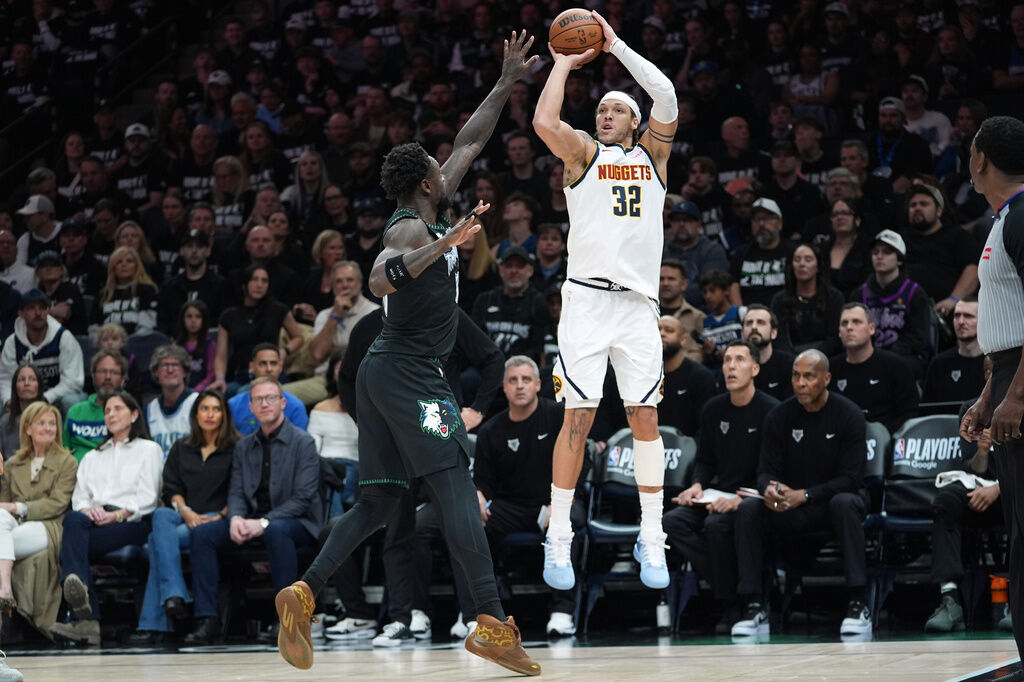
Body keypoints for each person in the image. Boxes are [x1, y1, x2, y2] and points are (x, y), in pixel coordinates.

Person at [274, 31, 540, 676]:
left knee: (380, 501)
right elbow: (378, 277)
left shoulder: (428, 202)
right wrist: (443, 244)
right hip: (409, 376)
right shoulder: (410, 225)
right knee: (453, 478)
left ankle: (303, 593)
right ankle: (489, 621)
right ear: (425, 182)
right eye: (438, 168)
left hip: (382, 376)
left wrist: (505, 83)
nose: (449, 168)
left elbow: (470, 140)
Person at [532, 10, 679, 593]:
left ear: (637, 121)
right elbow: (545, 118)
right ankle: (560, 536)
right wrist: (565, 63)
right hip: (587, 302)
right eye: (601, 110)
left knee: (646, 418)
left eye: (616, 108)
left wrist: (614, 46)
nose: (606, 114)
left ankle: (652, 534)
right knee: (579, 416)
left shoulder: (654, 160)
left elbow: (665, 91)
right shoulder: (583, 156)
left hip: (639, 305)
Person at [732, 350, 870, 638]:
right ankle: (754, 605)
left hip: (828, 506)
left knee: (845, 503)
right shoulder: (778, 416)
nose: (801, 383)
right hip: (789, 507)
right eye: (796, 375)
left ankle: (859, 603)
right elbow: (765, 471)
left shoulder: (850, 415)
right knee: (749, 509)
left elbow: (851, 478)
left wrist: (806, 495)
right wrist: (770, 489)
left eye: (809, 376)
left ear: (827, 378)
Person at [186, 377, 321, 646]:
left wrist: (264, 522)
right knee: (202, 535)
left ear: (283, 403)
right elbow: (236, 491)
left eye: (270, 398)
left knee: (277, 531)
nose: (264, 404)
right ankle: (208, 619)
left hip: (296, 522)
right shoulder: (243, 446)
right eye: (258, 399)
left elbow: (304, 498)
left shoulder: (303, 442)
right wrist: (236, 517)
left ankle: (289, 621)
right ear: (250, 407)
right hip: (252, 521)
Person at [960, 115, 1024, 664]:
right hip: (1006, 371)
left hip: (1022, 378)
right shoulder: (1005, 219)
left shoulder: (1022, 216)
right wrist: (988, 394)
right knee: (1019, 528)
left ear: (981, 160)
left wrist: (1017, 394)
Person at [664, 340, 779, 634]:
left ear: (754, 369)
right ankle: (729, 593)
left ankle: (750, 603)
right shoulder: (713, 409)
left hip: (755, 497)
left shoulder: (772, 411)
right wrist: (697, 486)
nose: (730, 366)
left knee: (719, 524)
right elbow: (704, 460)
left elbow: (773, 470)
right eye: (727, 360)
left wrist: (741, 498)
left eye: (739, 360)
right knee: (672, 521)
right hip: (718, 494)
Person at [471, 356, 583, 637]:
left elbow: (581, 461)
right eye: (513, 380)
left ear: (538, 385)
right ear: (504, 387)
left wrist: (558, 503)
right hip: (512, 506)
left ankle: (562, 611)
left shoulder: (558, 416)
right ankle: (485, 611)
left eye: (525, 380)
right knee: (474, 526)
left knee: (567, 525)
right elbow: (482, 481)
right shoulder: (491, 430)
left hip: (558, 500)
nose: (519, 386)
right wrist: (479, 497)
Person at [127, 389, 240, 646]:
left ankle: (158, 619)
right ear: (195, 414)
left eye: (216, 409)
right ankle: (174, 594)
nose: (210, 414)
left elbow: (239, 489)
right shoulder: (182, 447)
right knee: (162, 515)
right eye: (204, 409)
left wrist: (220, 515)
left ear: (224, 414)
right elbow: (171, 488)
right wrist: (185, 510)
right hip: (185, 515)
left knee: (158, 542)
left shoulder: (236, 448)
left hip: (216, 519)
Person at [51, 393, 163, 646]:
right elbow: (80, 497)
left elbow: (149, 498)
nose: (110, 414)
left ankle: (85, 617)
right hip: (93, 520)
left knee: (70, 547)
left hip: (131, 521)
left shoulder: (149, 449)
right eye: (107, 410)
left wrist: (117, 514)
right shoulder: (93, 456)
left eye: (117, 409)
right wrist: (89, 510)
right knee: (73, 519)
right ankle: (84, 609)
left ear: (134, 415)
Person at [926, 372, 1002, 634]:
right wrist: (982, 452)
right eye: (992, 373)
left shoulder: (1018, 405)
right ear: (986, 376)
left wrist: (999, 489)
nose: (996, 378)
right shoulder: (971, 409)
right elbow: (975, 469)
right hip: (979, 492)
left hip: (1010, 493)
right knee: (946, 501)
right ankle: (949, 599)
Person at [0, 401, 77, 650]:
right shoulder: (12, 464)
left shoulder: (67, 462)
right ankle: (4, 589)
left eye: (52, 423)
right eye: (41, 423)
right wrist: (9, 509)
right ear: (28, 429)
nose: (48, 428)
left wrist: (19, 507)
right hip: (13, 526)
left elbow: (57, 503)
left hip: (49, 525)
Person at [285, 261, 379, 407]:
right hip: (324, 380)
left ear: (360, 283)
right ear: (333, 286)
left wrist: (334, 349)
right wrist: (335, 314)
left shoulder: (374, 313)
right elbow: (317, 354)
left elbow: (370, 354)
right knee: (278, 394)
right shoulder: (325, 315)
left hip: (360, 381)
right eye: (339, 281)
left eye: (350, 280)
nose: (345, 285)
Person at [211, 265, 304, 395]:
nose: (259, 285)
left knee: (243, 393)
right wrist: (220, 379)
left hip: (270, 374)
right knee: (216, 394)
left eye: (264, 281)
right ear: (244, 284)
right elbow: (221, 356)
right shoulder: (229, 316)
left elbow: (298, 337)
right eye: (254, 279)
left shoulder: (278, 310)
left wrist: (284, 351)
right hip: (241, 375)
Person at [854, 229, 933, 379]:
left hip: (905, 357)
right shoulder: (860, 293)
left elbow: (918, 339)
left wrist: (884, 357)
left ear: (899, 259)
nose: (879, 256)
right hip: (867, 355)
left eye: (886, 252)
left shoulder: (914, 293)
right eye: (875, 252)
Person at [829, 303, 919, 433]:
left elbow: (910, 413)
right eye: (844, 323)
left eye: (856, 322)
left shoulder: (895, 366)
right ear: (839, 333)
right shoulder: (830, 369)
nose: (849, 327)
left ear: (871, 329)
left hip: (888, 442)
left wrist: (883, 434)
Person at [902, 183, 981, 318]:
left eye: (924, 204)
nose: (917, 208)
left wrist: (953, 300)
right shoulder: (901, 240)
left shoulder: (958, 236)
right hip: (905, 312)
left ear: (939, 210)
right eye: (913, 205)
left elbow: (972, 270)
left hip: (946, 313)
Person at [0, 290, 84, 414]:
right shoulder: (12, 342)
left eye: (43, 308)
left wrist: (44, 398)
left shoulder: (63, 337)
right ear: (21, 314)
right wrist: (8, 400)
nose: (38, 313)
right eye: (31, 308)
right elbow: (6, 379)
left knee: (71, 401)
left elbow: (73, 382)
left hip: (56, 398)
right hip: (23, 399)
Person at [471, 246, 550, 363]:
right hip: (486, 366)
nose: (514, 271)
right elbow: (474, 341)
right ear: (501, 270)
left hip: (522, 367)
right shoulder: (485, 300)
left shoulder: (538, 302)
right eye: (509, 266)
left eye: (520, 266)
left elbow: (539, 347)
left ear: (530, 271)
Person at [771, 244, 844, 354]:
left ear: (818, 266)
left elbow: (835, 337)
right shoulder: (779, 300)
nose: (802, 264)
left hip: (827, 359)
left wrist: (813, 358)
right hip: (790, 361)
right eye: (797, 260)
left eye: (808, 259)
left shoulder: (834, 297)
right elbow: (779, 338)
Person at [228, 344, 309, 435]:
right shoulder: (233, 405)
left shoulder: (296, 407)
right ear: (252, 367)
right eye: (263, 363)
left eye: (273, 363)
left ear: (280, 366)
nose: (269, 369)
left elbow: (300, 445)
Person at [658, 316, 718, 437]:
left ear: (683, 340)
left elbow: (706, 427)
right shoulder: (643, 376)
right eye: (657, 330)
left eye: (669, 330)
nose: (661, 333)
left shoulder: (701, 377)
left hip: (687, 450)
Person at [730, 198, 795, 306]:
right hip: (749, 317)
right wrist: (741, 314)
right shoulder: (742, 253)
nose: (761, 224)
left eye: (766, 218)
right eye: (756, 219)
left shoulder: (792, 252)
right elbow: (733, 286)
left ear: (780, 223)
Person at [63, 351, 127, 461]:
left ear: (123, 379)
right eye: (102, 371)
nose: (107, 377)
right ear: (93, 376)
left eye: (114, 372)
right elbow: (64, 451)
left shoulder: (129, 411)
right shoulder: (75, 411)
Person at [923, 297, 986, 404]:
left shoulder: (994, 364)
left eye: (968, 316)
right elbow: (927, 410)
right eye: (957, 316)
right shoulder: (939, 364)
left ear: (983, 320)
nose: (961, 321)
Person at [144, 345, 199, 455]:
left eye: (175, 365)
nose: (170, 370)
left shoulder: (197, 402)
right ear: (156, 372)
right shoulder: (149, 409)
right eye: (164, 365)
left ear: (184, 371)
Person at [98, 246, 160, 336]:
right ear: (113, 267)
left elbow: (147, 326)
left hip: (137, 343)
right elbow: (95, 326)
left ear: (136, 266)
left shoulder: (147, 290)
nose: (124, 265)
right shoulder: (103, 295)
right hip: (107, 344)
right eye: (119, 262)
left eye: (129, 261)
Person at [741, 305, 794, 401]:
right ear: (742, 333)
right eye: (749, 323)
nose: (754, 327)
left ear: (773, 333)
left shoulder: (789, 365)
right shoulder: (734, 367)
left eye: (760, 322)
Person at [658, 259, 705, 363]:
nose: (665, 283)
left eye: (671, 279)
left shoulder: (697, 317)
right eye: (661, 279)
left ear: (684, 284)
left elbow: (701, 353)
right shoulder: (647, 315)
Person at [0, 365, 43, 462]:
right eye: (21, 380)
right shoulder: (5, 422)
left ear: (39, 385)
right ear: (14, 386)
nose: (26, 383)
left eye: (32, 379)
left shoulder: (50, 419)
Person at [174, 301, 217, 391]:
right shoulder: (175, 346)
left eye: (198, 317)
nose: (193, 321)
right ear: (183, 319)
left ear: (204, 320)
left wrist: (196, 390)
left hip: (202, 392)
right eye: (189, 316)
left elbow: (211, 375)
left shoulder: (210, 345)